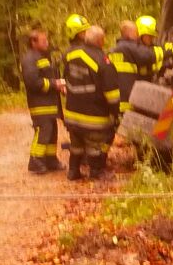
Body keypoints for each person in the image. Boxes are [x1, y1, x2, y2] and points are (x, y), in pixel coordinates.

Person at [61, 15, 119, 181]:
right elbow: (112, 93)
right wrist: (116, 113)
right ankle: (97, 172)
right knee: (96, 144)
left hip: (72, 113)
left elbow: (66, 78)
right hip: (93, 115)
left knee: (76, 144)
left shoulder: (70, 55)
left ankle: (73, 171)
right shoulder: (102, 60)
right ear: (101, 41)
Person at [21, 25, 65, 174]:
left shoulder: (43, 58)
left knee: (52, 131)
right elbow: (32, 81)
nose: (47, 42)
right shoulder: (29, 59)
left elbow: (49, 76)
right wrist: (54, 84)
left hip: (50, 104)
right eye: (43, 40)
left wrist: (59, 85)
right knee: (43, 131)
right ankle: (35, 160)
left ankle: (50, 159)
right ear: (33, 42)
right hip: (39, 105)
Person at [108, 19, 156, 115]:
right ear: (129, 34)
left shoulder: (112, 51)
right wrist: (168, 51)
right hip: (130, 100)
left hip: (116, 101)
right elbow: (149, 57)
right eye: (136, 33)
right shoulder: (131, 49)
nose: (137, 36)